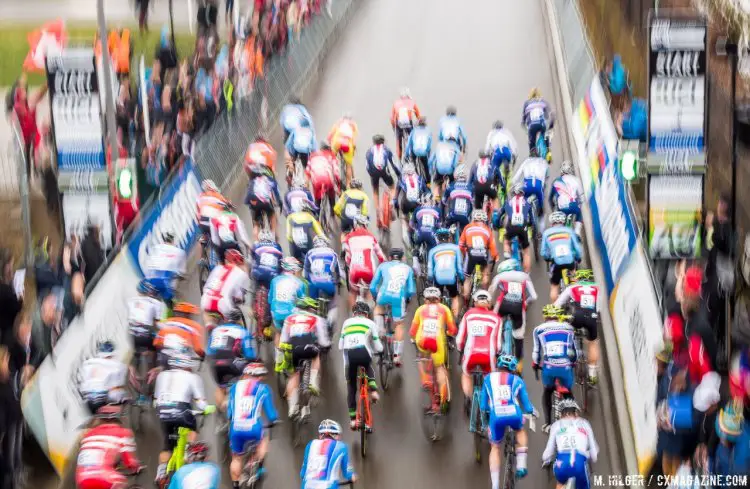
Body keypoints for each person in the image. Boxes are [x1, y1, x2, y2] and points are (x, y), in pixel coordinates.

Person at [153, 349, 215, 485]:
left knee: (167, 446)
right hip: (181, 411)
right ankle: (189, 453)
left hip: (163, 411)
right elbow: (200, 402)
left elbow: (156, 398)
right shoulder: (193, 377)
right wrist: (208, 409)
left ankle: (161, 472)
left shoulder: (162, 375)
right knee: (193, 430)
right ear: (187, 364)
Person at [482, 355, 537, 484]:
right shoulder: (517, 380)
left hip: (496, 416)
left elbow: (484, 405)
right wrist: (530, 412)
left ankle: (495, 485)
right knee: (520, 430)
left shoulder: (488, 379)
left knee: (495, 447)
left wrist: (488, 412)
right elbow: (528, 407)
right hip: (514, 414)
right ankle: (521, 465)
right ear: (513, 368)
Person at [227, 363, 278, 489]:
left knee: (236, 458)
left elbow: (230, 412)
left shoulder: (234, 387)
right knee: (264, 438)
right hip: (254, 428)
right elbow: (271, 414)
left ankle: (235, 485)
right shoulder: (263, 388)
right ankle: (259, 464)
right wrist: (273, 421)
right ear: (258, 377)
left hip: (236, 428)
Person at [277, 297, 330, 417]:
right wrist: (325, 345)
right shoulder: (315, 318)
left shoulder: (289, 318)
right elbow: (323, 341)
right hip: (307, 347)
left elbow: (283, 341)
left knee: (293, 376)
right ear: (310, 308)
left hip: (292, 349)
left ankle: (292, 408)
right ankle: (312, 382)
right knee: (316, 356)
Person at [207, 309, 256, 431]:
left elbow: (209, 351)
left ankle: (221, 412)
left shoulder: (216, 330)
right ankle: (237, 407)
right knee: (244, 380)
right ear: (239, 320)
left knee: (220, 387)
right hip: (232, 362)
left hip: (215, 362)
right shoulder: (242, 331)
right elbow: (250, 354)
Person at [532, 305, 578, 432]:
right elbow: (574, 352)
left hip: (549, 367)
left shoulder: (538, 330)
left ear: (544, 316)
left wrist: (535, 365)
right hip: (565, 367)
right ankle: (573, 419)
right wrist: (573, 363)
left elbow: (536, 352)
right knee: (568, 391)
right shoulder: (569, 328)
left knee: (547, 391)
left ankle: (548, 423)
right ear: (558, 316)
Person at [75, 405, 144, 489]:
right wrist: (135, 468)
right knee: (121, 481)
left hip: (82, 479)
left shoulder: (88, 435)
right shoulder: (123, 433)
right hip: (105, 478)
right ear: (119, 419)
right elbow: (129, 461)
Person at [456, 289, 503, 411]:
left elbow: (460, 338)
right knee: (491, 378)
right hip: (488, 355)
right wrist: (497, 354)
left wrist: (460, 349)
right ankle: (489, 404)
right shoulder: (496, 318)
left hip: (471, 353)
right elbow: (498, 345)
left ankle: (467, 396)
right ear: (489, 303)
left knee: (466, 374)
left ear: (475, 302)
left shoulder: (469, 315)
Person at [339, 301, 382, 429]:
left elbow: (340, 346)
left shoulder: (346, 323)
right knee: (368, 363)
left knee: (351, 386)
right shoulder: (371, 323)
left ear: (354, 313)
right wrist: (378, 351)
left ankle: (352, 419)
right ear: (366, 314)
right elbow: (378, 345)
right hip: (363, 352)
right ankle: (373, 389)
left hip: (349, 356)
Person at [411, 287, 457, 406]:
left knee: (421, 359)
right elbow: (452, 329)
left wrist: (413, 338)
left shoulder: (420, 309)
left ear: (425, 299)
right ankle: (442, 398)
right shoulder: (444, 309)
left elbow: (412, 331)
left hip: (422, 340)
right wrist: (449, 334)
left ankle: (425, 379)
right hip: (437, 342)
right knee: (440, 368)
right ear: (439, 299)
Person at [370, 248, 416, 366]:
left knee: (378, 308)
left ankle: (380, 330)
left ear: (390, 258)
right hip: (398, 297)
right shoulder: (408, 269)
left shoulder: (383, 266)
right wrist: (407, 299)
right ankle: (396, 356)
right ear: (402, 258)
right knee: (399, 324)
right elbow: (411, 290)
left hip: (383, 295)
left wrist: (375, 298)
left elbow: (372, 286)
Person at [490, 258, 538, 371]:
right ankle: (519, 365)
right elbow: (534, 296)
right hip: (518, 307)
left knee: (494, 327)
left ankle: (495, 353)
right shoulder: (524, 276)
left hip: (503, 305)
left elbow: (491, 292)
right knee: (519, 335)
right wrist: (526, 303)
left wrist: (490, 306)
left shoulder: (499, 277)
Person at [554, 269, 600, 384]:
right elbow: (599, 308)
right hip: (591, 317)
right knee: (593, 343)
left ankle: (569, 353)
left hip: (577, 316)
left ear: (578, 278)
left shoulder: (572, 288)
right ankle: (592, 374)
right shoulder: (596, 289)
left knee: (566, 329)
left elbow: (557, 305)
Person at [542, 399, 599, 489]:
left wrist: (546, 459)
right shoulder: (585, 423)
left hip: (562, 462)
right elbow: (594, 454)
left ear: (561, 415)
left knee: (560, 483)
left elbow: (548, 452)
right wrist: (588, 455)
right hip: (579, 463)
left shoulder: (556, 425)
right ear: (576, 413)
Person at [128, 280, 167, 396]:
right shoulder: (156, 303)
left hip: (133, 332)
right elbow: (157, 324)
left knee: (136, 351)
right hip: (147, 334)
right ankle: (153, 371)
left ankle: (132, 371)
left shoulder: (131, 301)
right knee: (156, 350)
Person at [269, 257, 308, 364]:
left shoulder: (275, 280)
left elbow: (270, 299)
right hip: (290, 314)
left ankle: (278, 357)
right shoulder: (299, 283)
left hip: (276, 313)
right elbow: (303, 301)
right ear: (294, 270)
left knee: (278, 331)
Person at [342, 215, 386, 310]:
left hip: (355, 271)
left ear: (355, 224)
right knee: (369, 290)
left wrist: (348, 263)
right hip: (369, 271)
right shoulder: (371, 236)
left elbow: (347, 258)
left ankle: (354, 316)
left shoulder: (348, 237)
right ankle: (370, 312)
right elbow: (381, 256)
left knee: (353, 291)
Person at [200, 249, 250, 329]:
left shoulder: (217, 268)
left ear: (226, 261)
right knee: (237, 325)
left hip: (206, 301)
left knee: (207, 317)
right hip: (224, 305)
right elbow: (239, 298)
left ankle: (209, 328)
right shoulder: (242, 274)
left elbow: (206, 287)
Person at [300, 420, 357, 488]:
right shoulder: (341, 446)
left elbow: (302, 473)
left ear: (321, 435)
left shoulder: (310, 445)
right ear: (335, 435)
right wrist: (353, 476)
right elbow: (347, 472)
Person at [304, 236, 343, 332]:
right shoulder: (332, 253)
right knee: (333, 303)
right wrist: (337, 281)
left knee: (311, 305)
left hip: (313, 284)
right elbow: (338, 271)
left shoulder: (309, 253)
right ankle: (330, 322)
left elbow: (305, 274)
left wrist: (310, 280)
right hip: (327, 283)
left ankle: (311, 326)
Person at [541, 211, 582, 302]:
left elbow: (543, 252)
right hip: (569, 261)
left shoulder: (546, 233)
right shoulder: (569, 231)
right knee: (574, 279)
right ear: (563, 222)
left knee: (554, 286)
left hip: (556, 263)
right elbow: (577, 248)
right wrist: (578, 257)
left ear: (552, 223)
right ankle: (577, 301)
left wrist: (547, 257)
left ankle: (555, 311)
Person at [78, 341, 129, 414]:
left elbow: (83, 385)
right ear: (112, 354)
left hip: (88, 403)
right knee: (123, 405)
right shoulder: (117, 366)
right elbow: (116, 391)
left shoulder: (87, 363)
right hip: (103, 401)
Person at [459, 209, 498, 298]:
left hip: (471, 254)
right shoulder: (487, 229)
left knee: (467, 278)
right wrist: (496, 256)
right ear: (484, 220)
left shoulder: (467, 227)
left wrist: (463, 253)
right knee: (485, 273)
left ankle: (466, 298)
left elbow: (461, 245)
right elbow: (492, 247)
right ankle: (485, 294)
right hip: (482, 254)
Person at [427, 227, 464, 318]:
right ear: (449, 238)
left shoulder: (432, 251)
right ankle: (455, 319)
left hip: (438, 278)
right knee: (454, 297)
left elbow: (430, 272)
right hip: (451, 278)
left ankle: (436, 317)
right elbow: (459, 268)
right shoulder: (456, 248)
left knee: (436, 298)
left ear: (438, 239)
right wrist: (462, 279)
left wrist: (430, 280)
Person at [497, 183, 535, 272]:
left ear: (513, 193)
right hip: (523, 227)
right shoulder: (527, 202)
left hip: (511, 226)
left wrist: (498, 224)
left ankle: (507, 257)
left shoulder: (508, 201)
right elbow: (532, 218)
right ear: (523, 193)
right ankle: (526, 274)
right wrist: (530, 224)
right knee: (526, 251)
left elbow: (500, 214)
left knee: (506, 241)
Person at [365, 134, 401, 226]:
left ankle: (377, 211)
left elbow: (367, 167)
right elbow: (394, 164)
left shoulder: (369, 151)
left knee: (375, 191)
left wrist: (371, 175)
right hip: (384, 172)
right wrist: (398, 174)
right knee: (392, 187)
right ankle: (392, 204)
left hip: (373, 173)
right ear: (383, 142)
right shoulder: (387, 150)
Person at [144, 232, 186, 305]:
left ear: (163, 240)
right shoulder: (180, 252)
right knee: (170, 301)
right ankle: (170, 307)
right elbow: (182, 272)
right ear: (173, 241)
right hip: (165, 281)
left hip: (151, 279)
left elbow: (148, 264)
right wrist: (181, 276)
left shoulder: (155, 248)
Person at [245, 164, 284, 240]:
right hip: (265, 202)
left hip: (254, 202)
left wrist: (252, 209)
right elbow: (277, 194)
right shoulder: (270, 180)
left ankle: (256, 243)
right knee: (272, 214)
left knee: (256, 223)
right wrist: (279, 203)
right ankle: (273, 235)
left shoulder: (252, 182)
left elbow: (248, 200)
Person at [548, 161, 583, 237]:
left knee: (558, 225)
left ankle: (558, 235)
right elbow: (581, 196)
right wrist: (580, 205)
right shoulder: (576, 180)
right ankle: (577, 232)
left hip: (561, 208)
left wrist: (553, 209)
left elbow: (550, 198)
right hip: (574, 207)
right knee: (579, 213)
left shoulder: (556, 181)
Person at [510, 153, 549, 220]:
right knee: (541, 208)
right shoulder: (543, 162)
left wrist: (512, 183)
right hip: (538, 186)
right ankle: (541, 224)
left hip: (527, 185)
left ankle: (523, 217)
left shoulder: (527, 161)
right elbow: (546, 176)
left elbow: (518, 174)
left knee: (524, 202)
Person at [196, 179, 229, 257]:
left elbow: (197, 213)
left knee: (202, 238)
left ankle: (202, 258)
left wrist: (199, 223)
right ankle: (220, 255)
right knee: (220, 235)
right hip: (213, 222)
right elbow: (226, 205)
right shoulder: (218, 195)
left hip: (202, 222)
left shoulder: (200, 196)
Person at [409, 192, 442, 265]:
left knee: (413, 236)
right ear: (432, 200)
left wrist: (415, 229)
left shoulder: (417, 209)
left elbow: (411, 224)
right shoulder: (437, 209)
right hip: (432, 235)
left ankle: (415, 251)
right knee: (433, 251)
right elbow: (439, 225)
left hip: (419, 234)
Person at [306, 141, 340, 210]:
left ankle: (317, 214)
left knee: (317, 199)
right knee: (331, 191)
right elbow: (336, 172)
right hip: (328, 181)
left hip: (316, 182)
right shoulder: (331, 155)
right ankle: (333, 211)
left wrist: (307, 187)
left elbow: (307, 172)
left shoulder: (312, 155)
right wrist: (338, 186)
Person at [522, 87, 554, 158]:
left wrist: (525, 127)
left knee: (531, 142)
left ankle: (532, 153)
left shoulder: (526, 103)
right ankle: (548, 151)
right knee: (546, 135)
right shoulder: (543, 102)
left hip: (531, 126)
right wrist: (551, 126)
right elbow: (552, 115)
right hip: (542, 124)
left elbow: (523, 119)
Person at [327, 113, 359, 187]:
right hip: (347, 144)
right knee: (348, 165)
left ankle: (331, 175)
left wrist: (329, 143)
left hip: (336, 143)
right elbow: (353, 139)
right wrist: (353, 149)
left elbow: (330, 136)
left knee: (332, 160)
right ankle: (348, 184)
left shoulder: (338, 124)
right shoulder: (353, 125)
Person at [390, 88, 421, 160]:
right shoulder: (411, 102)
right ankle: (414, 154)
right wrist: (419, 123)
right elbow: (418, 115)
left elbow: (392, 118)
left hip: (399, 123)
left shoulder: (396, 103)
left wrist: (393, 128)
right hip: (408, 123)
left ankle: (399, 159)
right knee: (413, 137)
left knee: (398, 141)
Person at [442, 166, 474, 237]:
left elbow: (443, 200)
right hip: (465, 217)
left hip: (452, 215)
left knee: (445, 227)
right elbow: (474, 201)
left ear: (456, 177)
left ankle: (445, 236)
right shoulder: (471, 186)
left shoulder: (451, 185)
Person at [404, 116, 433, 181]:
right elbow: (429, 144)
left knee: (413, 161)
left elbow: (409, 144)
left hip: (415, 151)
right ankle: (428, 182)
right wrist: (428, 152)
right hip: (424, 152)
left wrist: (406, 155)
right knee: (426, 167)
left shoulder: (413, 131)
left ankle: (415, 171)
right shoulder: (428, 131)